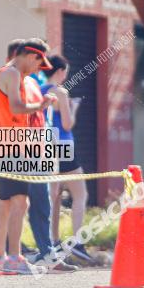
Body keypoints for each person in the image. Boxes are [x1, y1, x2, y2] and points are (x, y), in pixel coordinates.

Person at [0, 38, 57, 275]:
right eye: (39, 63)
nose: (39, 69)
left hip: (16, 150)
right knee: (18, 203)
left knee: (7, 204)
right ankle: (11, 258)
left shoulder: (21, 79)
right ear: (32, 56)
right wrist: (41, 105)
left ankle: (1, 259)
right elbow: (16, 108)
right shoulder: (11, 75)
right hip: (13, 151)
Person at [41, 53, 94, 264]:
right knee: (80, 194)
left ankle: (53, 240)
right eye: (65, 72)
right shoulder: (60, 92)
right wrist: (74, 107)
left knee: (54, 196)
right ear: (60, 71)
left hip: (46, 146)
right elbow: (67, 124)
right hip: (64, 145)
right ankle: (77, 243)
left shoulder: (38, 90)